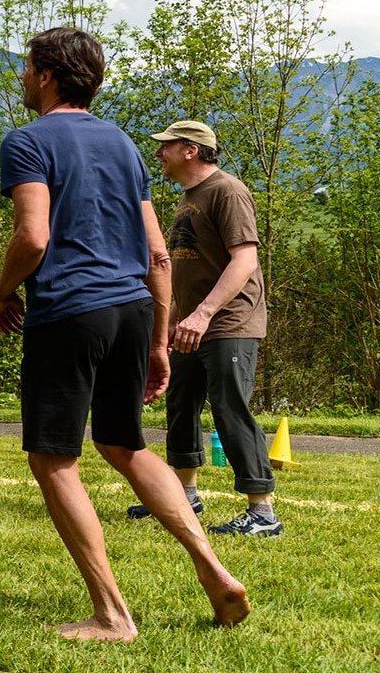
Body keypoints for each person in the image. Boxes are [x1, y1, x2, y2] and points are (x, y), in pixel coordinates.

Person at [0, 27, 248, 642]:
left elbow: (33, 237)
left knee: (54, 458)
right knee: (124, 444)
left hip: (70, 310)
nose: (24, 78)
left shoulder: (27, 141)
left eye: (28, 69)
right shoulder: (126, 147)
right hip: (132, 308)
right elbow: (158, 255)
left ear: (48, 76)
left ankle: (111, 614)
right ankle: (213, 569)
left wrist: (3, 291)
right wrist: (158, 340)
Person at [126, 120, 279, 536]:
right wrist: (177, 312)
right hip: (193, 323)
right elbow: (192, 264)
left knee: (230, 409)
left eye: (166, 147)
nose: (159, 154)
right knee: (180, 405)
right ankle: (185, 497)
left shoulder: (227, 191)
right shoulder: (188, 197)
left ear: (191, 150)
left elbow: (244, 260)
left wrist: (205, 312)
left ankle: (262, 511)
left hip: (230, 322)